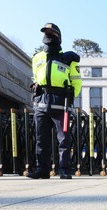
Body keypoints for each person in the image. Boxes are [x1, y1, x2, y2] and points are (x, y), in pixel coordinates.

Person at [27, 23, 82, 179]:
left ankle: (64, 170)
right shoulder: (37, 57)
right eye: (46, 33)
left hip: (61, 104)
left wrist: (70, 100)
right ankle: (42, 170)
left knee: (64, 140)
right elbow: (36, 78)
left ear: (58, 36)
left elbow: (77, 82)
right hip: (41, 103)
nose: (48, 36)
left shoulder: (68, 58)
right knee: (40, 139)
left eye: (52, 33)